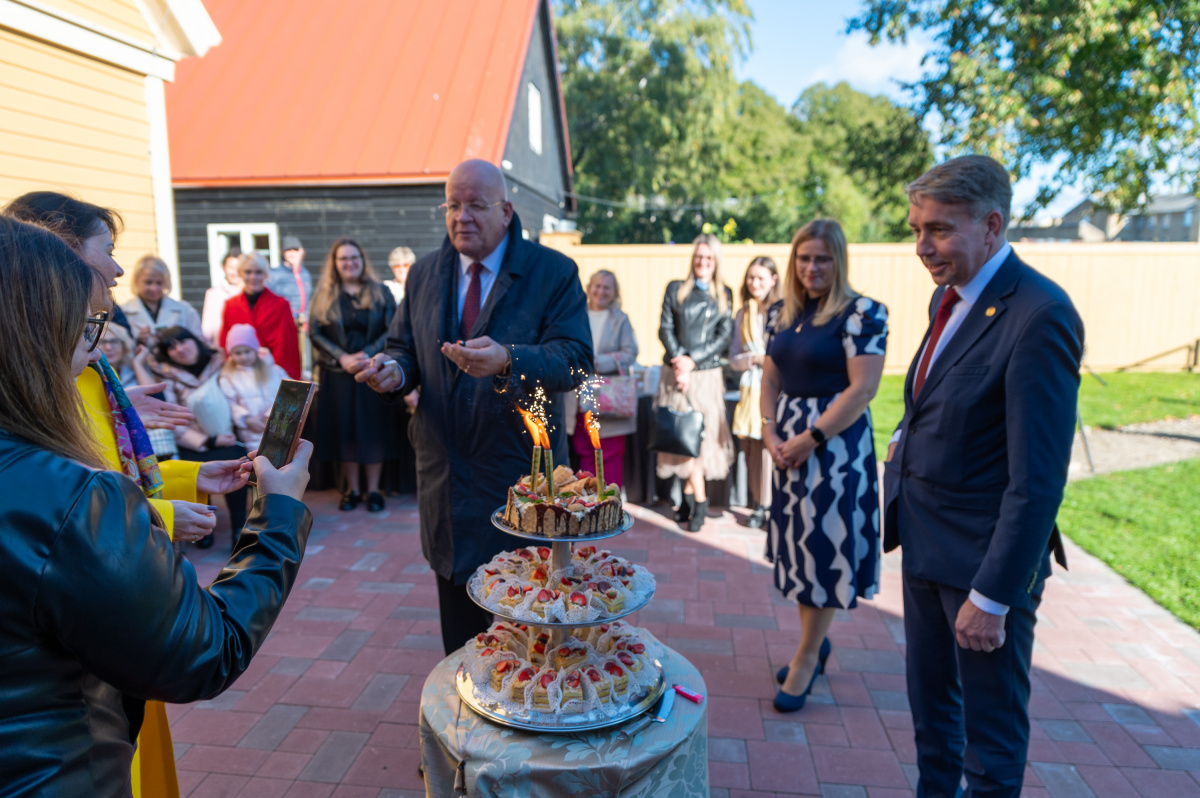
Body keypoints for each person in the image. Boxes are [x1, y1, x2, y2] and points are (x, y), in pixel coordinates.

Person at [0, 215, 314, 797]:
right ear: (37, 334)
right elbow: (204, 652)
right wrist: (279, 513)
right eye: (87, 327)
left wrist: (185, 477)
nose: (91, 352)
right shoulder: (71, 498)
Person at [884, 155, 1083, 798]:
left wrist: (993, 597)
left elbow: (1038, 481)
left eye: (939, 230)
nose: (922, 247)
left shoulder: (1040, 314)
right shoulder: (948, 296)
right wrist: (905, 435)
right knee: (933, 722)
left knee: (990, 748)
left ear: (992, 225)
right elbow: (943, 392)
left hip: (982, 566)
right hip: (925, 544)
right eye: (917, 229)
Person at [356, 159, 591, 654]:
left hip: (520, 480)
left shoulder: (552, 272)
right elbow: (403, 348)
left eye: (476, 206)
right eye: (453, 205)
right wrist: (394, 372)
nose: (461, 216)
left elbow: (576, 361)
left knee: (531, 639)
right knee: (462, 647)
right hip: (445, 484)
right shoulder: (424, 273)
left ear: (506, 211)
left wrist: (510, 359)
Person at [760, 219, 888, 713]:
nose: (811, 267)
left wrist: (809, 439)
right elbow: (770, 379)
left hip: (834, 449)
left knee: (824, 548)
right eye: (804, 258)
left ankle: (807, 656)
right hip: (788, 445)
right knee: (800, 551)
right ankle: (815, 643)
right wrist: (770, 432)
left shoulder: (862, 314)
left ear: (839, 261)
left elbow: (863, 389)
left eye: (822, 258)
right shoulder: (781, 312)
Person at [308, 237, 398, 512]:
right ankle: (353, 490)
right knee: (344, 431)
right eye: (343, 258)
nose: (350, 263)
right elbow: (315, 332)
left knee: (373, 430)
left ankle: (374, 491)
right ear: (335, 263)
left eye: (354, 257)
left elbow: (393, 329)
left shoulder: (381, 291)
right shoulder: (324, 294)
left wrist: (366, 354)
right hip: (338, 374)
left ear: (362, 260)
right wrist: (342, 357)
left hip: (373, 370)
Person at [655, 233, 735, 532]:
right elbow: (664, 328)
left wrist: (692, 361)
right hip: (675, 374)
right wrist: (680, 361)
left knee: (700, 439)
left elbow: (723, 337)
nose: (703, 262)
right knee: (681, 436)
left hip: (706, 376)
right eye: (699, 256)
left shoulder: (724, 294)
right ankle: (699, 499)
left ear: (716, 261)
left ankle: (691, 499)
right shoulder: (675, 288)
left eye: (709, 258)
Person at [145, 327, 250, 549]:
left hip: (230, 434)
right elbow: (172, 418)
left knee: (236, 461)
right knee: (195, 466)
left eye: (183, 341)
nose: (180, 349)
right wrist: (208, 441)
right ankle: (204, 524)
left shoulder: (222, 364)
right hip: (193, 441)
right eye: (171, 347)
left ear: (195, 340)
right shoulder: (167, 377)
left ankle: (239, 528)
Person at [565, 269, 638, 487]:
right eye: (597, 286)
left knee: (610, 453)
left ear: (614, 292)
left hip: (608, 398)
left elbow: (630, 353)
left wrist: (598, 362)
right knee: (585, 450)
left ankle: (611, 499)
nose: (601, 291)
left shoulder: (620, 320)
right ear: (589, 288)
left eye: (607, 287)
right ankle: (589, 500)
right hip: (579, 396)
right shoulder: (576, 316)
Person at [729, 256, 781, 529]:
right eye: (751, 277)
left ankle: (769, 504)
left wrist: (767, 360)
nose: (754, 283)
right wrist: (753, 359)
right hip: (750, 386)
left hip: (775, 386)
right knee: (750, 447)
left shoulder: (783, 311)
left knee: (766, 445)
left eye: (760, 278)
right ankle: (758, 502)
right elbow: (733, 357)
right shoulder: (743, 314)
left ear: (773, 280)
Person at [220, 253, 302, 379]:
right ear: (241, 273)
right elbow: (225, 343)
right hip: (241, 374)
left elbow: (287, 348)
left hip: (272, 373)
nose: (253, 277)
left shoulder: (281, 305)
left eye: (258, 272)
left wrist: (284, 381)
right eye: (248, 272)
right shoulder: (231, 305)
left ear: (265, 274)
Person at [218, 324, 289, 451]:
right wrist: (246, 419)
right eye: (237, 353)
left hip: (278, 426)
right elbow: (231, 403)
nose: (243, 357)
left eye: (247, 351)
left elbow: (287, 393)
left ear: (255, 350)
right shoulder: (228, 376)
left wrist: (270, 416)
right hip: (250, 432)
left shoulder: (274, 371)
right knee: (257, 458)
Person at [122, 254, 204, 347]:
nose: (154, 288)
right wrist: (137, 341)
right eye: (148, 282)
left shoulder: (185, 310)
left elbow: (199, 344)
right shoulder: (123, 312)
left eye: (159, 283)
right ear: (136, 281)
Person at [267, 235, 313, 320]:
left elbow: (308, 301)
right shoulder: (274, 275)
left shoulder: (305, 274)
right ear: (283, 252)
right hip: (284, 321)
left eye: (295, 250)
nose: (292, 253)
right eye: (288, 250)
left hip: (304, 323)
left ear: (301, 251)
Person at [202, 249, 242, 345]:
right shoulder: (213, 294)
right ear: (224, 267)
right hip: (221, 348)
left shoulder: (250, 293)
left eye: (238, 268)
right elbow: (207, 328)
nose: (234, 272)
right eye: (231, 267)